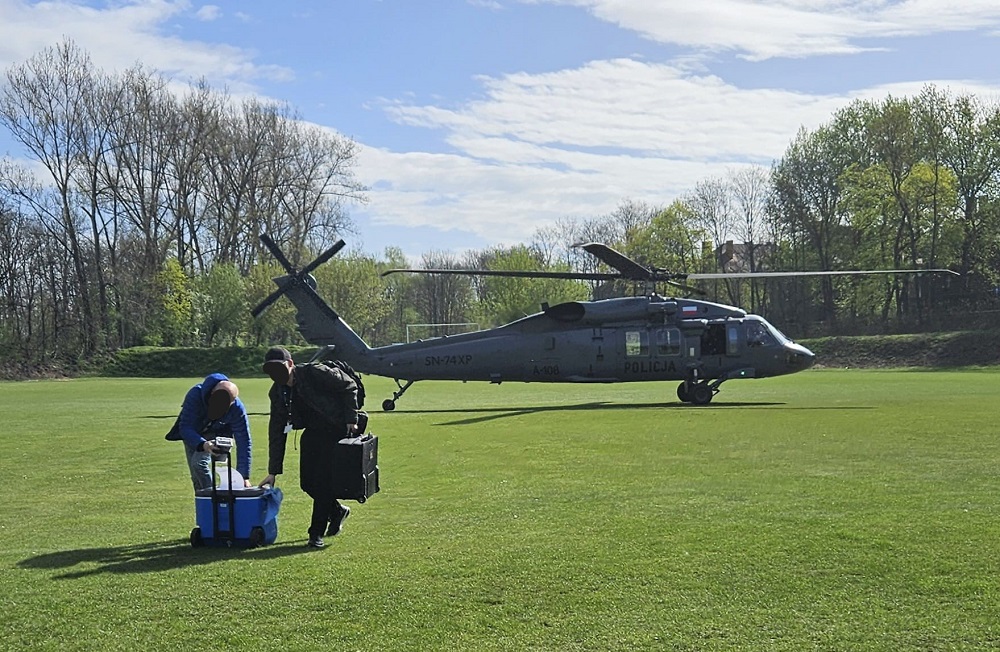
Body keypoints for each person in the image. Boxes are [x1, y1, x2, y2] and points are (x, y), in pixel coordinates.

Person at [258, 347, 360, 549]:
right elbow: (277, 431)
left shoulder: (315, 372)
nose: (275, 374)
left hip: (336, 429)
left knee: (322, 483)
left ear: (290, 364)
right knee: (308, 484)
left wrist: (351, 419)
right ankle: (337, 511)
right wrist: (273, 471)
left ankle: (315, 534)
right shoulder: (277, 393)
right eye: (270, 370)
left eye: (278, 367)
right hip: (312, 433)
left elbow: (349, 386)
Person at [167, 373, 253, 491]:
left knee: (199, 463)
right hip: (195, 435)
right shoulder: (195, 395)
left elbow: (244, 440)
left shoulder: (237, 407)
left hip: (220, 435)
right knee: (197, 478)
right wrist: (203, 444)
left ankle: (213, 497)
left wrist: (243, 475)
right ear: (212, 393)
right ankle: (206, 503)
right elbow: (186, 427)